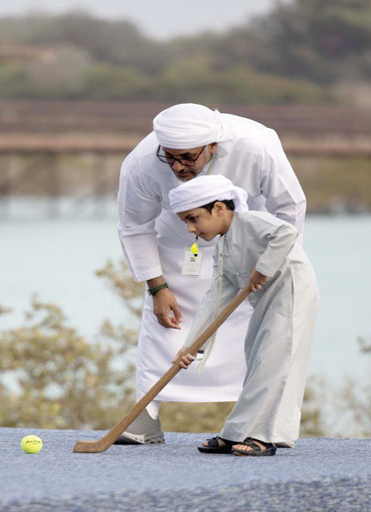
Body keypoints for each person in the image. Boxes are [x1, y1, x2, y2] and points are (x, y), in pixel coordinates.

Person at [115, 103, 307, 444]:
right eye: (169, 157)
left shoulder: (257, 144)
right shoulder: (141, 162)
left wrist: (271, 265)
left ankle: (261, 429)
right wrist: (157, 286)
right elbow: (133, 226)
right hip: (178, 247)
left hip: (252, 245)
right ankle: (147, 418)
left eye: (187, 158)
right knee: (165, 327)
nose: (177, 166)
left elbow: (288, 207)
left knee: (267, 339)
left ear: (213, 146)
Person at [169, 175, 318, 456]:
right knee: (256, 360)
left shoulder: (252, 221)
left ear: (218, 208)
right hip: (266, 301)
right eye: (186, 222)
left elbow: (286, 233)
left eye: (193, 219)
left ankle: (264, 437)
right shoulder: (224, 247)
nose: (191, 229)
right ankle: (236, 432)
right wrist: (192, 346)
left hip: (292, 293)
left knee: (272, 363)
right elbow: (215, 300)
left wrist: (262, 269)